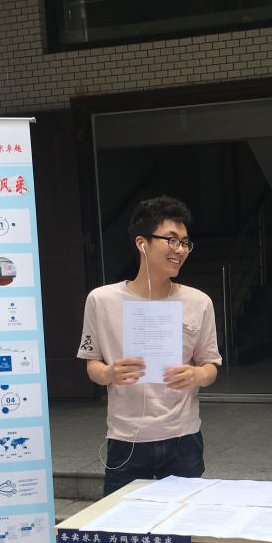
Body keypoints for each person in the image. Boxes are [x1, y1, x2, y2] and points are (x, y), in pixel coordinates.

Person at [77, 195, 222, 496]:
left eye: (185, 242)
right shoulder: (101, 300)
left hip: (183, 436)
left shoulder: (199, 302)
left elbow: (210, 366)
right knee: (121, 520)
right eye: (171, 240)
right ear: (142, 243)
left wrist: (197, 375)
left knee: (184, 519)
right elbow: (92, 365)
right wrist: (109, 373)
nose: (180, 250)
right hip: (126, 437)